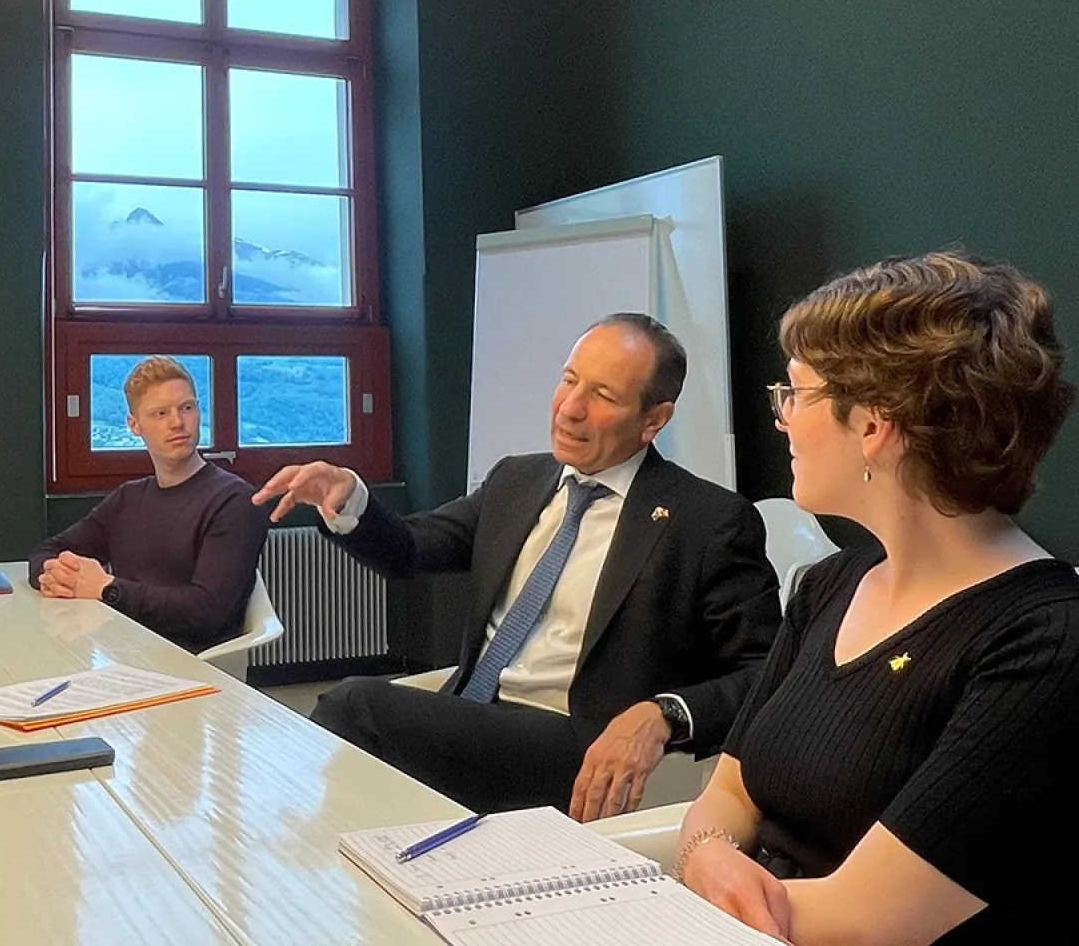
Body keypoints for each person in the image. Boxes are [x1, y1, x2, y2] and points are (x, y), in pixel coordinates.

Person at [677, 252, 1079, 945]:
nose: (782, 418)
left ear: (873, 425)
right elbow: (729, 793)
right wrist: (706, 855)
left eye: (794, 393)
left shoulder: (1045, 643)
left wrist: (704, 893)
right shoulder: (830, 583)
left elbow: (873, 921)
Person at [254, 314, 782, 820]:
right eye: (569, 380)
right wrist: (350, 502)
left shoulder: (707, 520)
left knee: (357, 707)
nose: (569, 408)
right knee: (362, 782)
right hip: (478, 717)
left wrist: (662, 713)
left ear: (654, 419)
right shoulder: (517, 481)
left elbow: (766, 672)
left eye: (602, 396)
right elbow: (413, 548)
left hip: (579, 744)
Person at [29, 355, 268, 654]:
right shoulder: (128, 500)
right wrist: (56, 578)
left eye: (187, 408)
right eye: (160, 413)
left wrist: (106, 588)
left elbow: (205, 614)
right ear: (134, 425)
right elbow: (46, 552)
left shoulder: (235, 501)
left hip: (197, 668)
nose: (177, 422)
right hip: (125, 655)